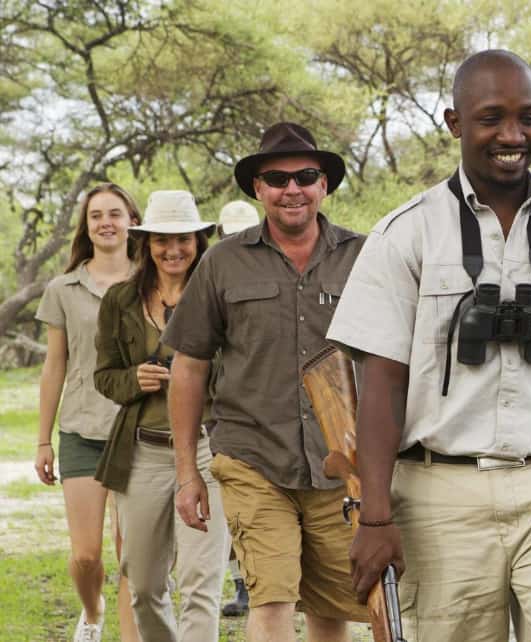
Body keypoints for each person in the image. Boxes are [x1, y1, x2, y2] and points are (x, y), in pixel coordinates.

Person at [326, 49, 531, 641]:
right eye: (491, 118)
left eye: (529, 118)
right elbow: (382, 383)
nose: (512, 135)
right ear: (454, 122)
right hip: (438, 493)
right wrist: (375, 515)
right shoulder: (406, 234)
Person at [163, 122, 368, 642]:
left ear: (325, 184)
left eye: (305, 176)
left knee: (332, 608)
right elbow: (188, 368)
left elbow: (394, 360)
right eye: (276, 178)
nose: (291, 189)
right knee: (272, 597)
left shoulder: (366, 257)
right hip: (252, 457)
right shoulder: (221, 263)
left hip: (341, 461)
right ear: (258, 189)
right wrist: (188, 474)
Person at [92, 190, 229, 641]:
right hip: (144, 452)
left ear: (199, 240)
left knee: (200, 583)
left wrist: (195, 379)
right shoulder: (120, 300)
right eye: (162, 240)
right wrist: (136, 380)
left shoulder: (219, 292)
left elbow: (240, 373)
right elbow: (104, 376)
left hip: (209, 451)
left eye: (184, 239)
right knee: (145, 585)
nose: (173, 250)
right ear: (145, 243)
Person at [34, 183, 142, 642]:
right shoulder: (63, 288)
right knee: (85, 555)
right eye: (96, 215)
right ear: (87, 226)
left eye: (115, 213)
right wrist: (42, 440)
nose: (106, 222)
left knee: (132, 556)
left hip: (139, 428)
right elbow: (54, 364)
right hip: (81, 430)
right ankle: (92, 613)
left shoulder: (152, 281)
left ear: (132, 221)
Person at [213, 198, 260, 618]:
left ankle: (250, 584)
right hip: (221, 414)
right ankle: (240, 584)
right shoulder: (214, 272)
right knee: (228, 517)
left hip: (254, 415)